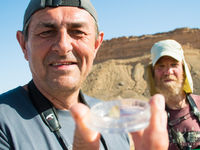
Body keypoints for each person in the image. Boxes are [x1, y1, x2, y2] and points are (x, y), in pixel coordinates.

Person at [0, 0, 168, 149]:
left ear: (96, 45)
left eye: (78, 32)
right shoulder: (4, 122)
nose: (63, 46)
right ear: (23, 45)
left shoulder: (111, 119)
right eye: (46, 32)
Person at [147, 39, 200, 150]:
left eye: (174, 64)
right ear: (153, 73)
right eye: (160, 66)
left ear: (184, 70)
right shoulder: (148, 117)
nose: (168, 71)